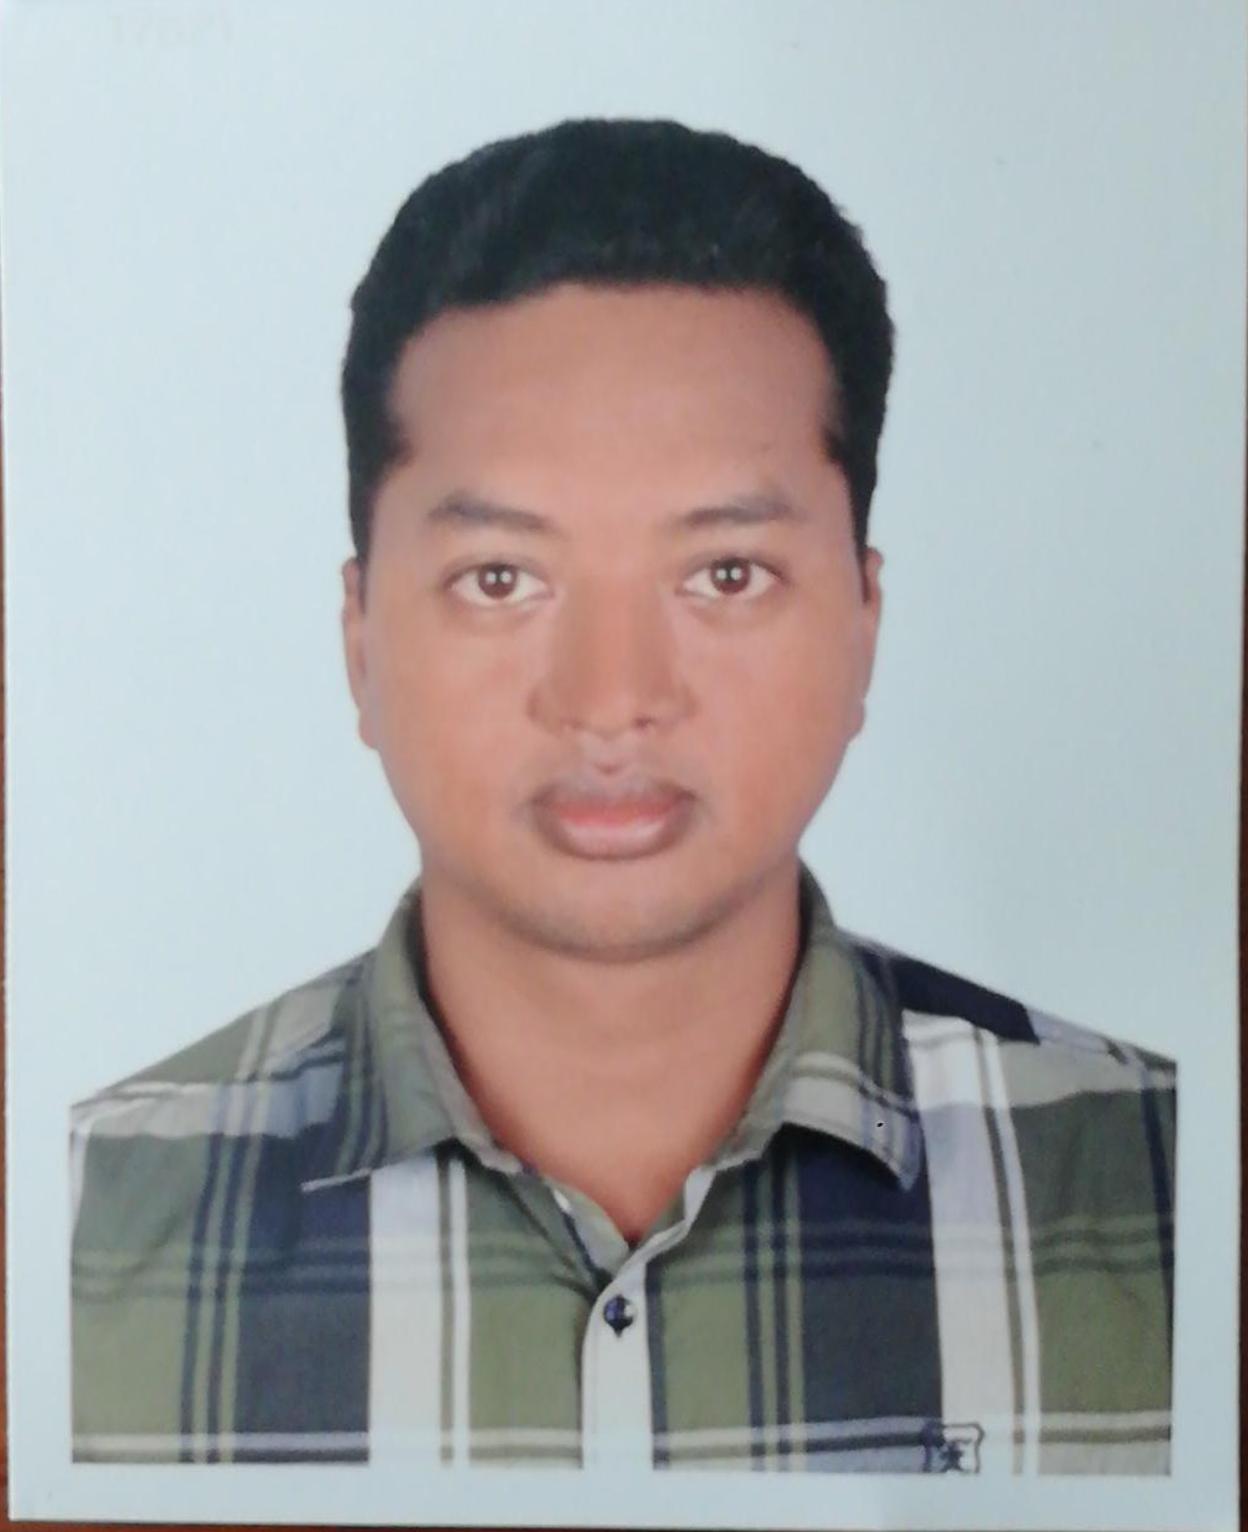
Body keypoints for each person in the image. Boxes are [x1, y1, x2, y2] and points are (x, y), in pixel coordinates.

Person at [70, 117, 1176, 1476]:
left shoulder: (1163, 1190)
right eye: (501, 579)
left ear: (864, 624)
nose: (610, 699)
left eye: (724, 575)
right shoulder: (86, 1231)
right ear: (360, 643)